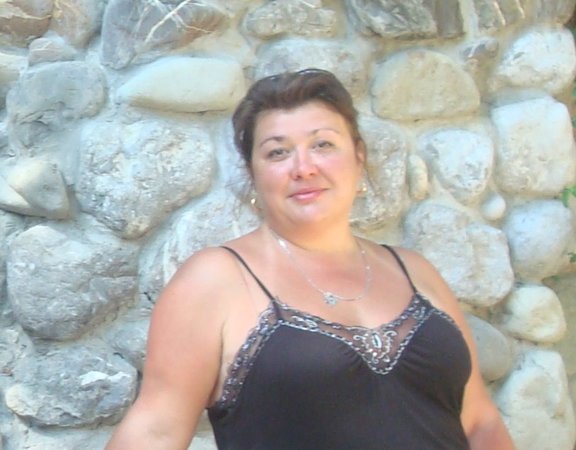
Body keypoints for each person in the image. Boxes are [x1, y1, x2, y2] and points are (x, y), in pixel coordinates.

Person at [106, 68, 515, 449]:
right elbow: (156, 431)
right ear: (252, 173)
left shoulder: (415, 272)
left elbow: (480, 422)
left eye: (323, 145)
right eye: (277, 152)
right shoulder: (217, 280)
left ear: (358, 156)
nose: (303, 168)